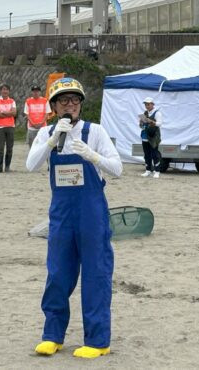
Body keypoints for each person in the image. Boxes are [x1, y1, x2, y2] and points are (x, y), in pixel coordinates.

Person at [26, 77, 122, 359]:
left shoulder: (95, 132)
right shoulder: (46, 134)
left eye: (75, 100)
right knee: (57, 273)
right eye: (64, 101)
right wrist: (53, 140)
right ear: (54, 106)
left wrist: (94, 157)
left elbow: (117, 169)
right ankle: (52, 335)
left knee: (96, 273)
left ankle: (98, 340)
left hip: (91, 213)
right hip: (61, 214)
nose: (71, 105)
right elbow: (31, 166)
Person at [0, 84, 16, 173]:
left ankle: (7, 167)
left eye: (6, 89)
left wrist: (2, 113)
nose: (5, 91)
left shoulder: (12, 101)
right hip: (0, 127)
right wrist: (8, 113)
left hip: (10, 126)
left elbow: (14, 113)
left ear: (9, 91)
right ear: (0, 91)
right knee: (0, 148)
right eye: (3, 89)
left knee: (10, 148)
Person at [139, 97, 163, 178]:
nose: (147, 106)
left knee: (154, 154)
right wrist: (141, 123)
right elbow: (142, 127)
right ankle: (148, 170)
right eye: (146, 104)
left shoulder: (157, 113)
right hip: (145, 136)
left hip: (153, 137)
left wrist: (151, 121)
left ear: (153, 104)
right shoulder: (145, 113)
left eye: (148, 104)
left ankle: (157, 171)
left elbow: (159, 124)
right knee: (146, 154)